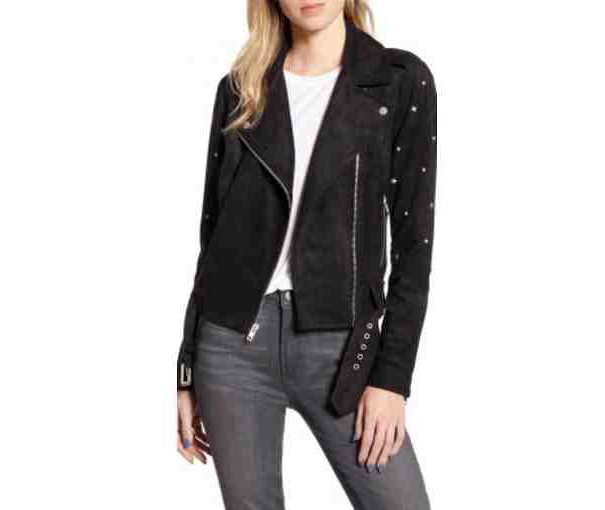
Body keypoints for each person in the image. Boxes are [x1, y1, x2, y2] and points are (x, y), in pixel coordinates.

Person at [176, 1, 436, 508]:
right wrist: (187, 369)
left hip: (340, 347)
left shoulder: (398, 81)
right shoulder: (242, 88)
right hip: (231, 347)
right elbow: (213, 237)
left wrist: (391, 379)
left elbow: (414, 247)